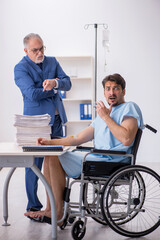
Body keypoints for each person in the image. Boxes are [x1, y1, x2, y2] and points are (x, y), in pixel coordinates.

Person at [24, 73, 143, 225]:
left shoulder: (129, 108)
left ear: (123, 91)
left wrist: (106, 117)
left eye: (116, 89)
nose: (111, 93)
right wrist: (50, 141)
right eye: (108, 89)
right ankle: (51, 210)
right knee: (51, 154)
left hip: (113, 163)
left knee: (54, 157)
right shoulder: (103, 115)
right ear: (104, 92)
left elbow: (126, 139)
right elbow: (78, 138)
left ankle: (57, 213)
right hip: (98, 159)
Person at [14, 33, 71, 212]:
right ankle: (33, 206)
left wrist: (55, 82)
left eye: (42, 48)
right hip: (35, 123)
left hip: (56, 121)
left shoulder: (52, 61)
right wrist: (54, 90)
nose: (40, 53)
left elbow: (67, 83)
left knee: (57, 165)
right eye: (35, 50)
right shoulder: (20, 68)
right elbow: (31, 93)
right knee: (33, 166)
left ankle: (57, 207)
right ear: (26, 50)